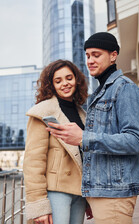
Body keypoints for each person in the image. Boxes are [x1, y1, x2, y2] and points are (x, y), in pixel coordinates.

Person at [46, 32, 139, 224]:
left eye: (96, 54)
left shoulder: (124, 88)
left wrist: (84, 138)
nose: (90, 60)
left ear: (113, 55)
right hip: (101, 192)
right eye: (87, 55)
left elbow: (135, 141)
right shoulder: (98, 94)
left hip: (115, 194)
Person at [23, 59, 92, 224]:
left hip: (79, 192)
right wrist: (39, 204)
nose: (65, 84)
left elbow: (85, 157)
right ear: (51, 85)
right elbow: (33, 161)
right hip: (56, 192)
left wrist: (89, 197)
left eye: (69, 78)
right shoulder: (42, 112)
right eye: (58, 80)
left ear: (77, 80)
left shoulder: (83, 114)